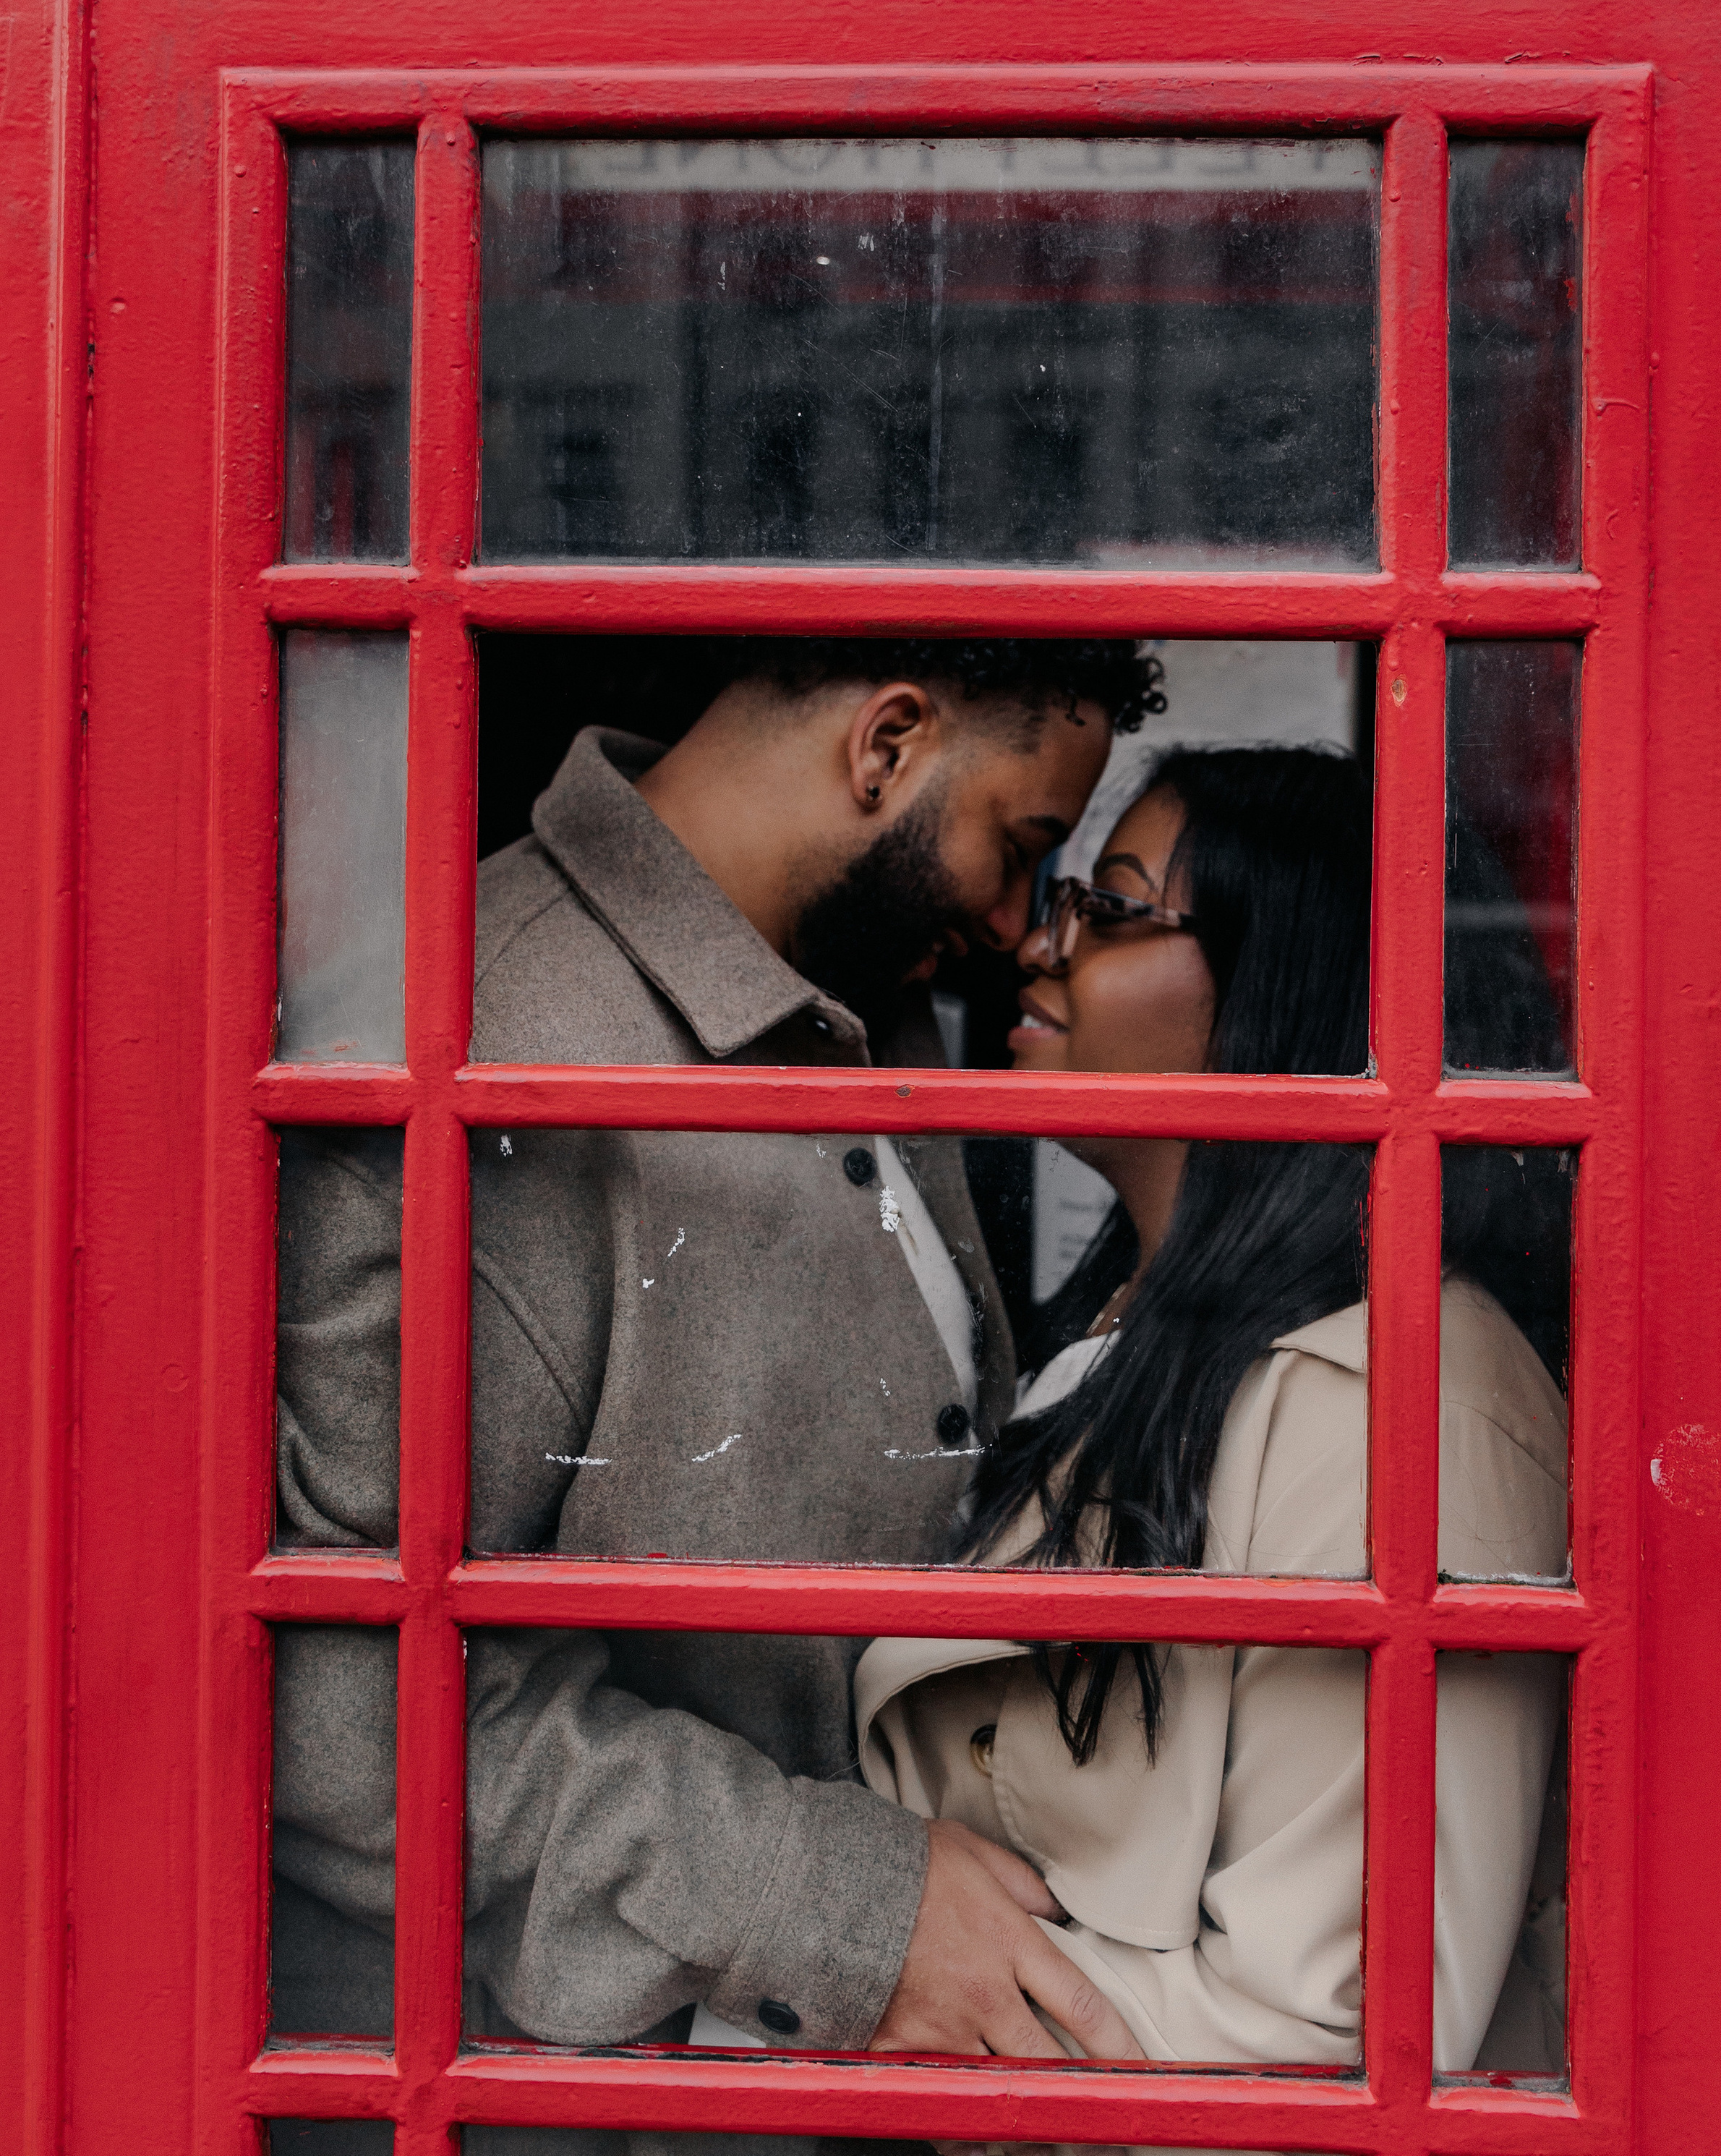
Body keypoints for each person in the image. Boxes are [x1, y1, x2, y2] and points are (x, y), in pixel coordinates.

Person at [273, 637, 1163, 2100]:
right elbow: (334, 1700)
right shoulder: (476, 1044)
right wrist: (845, 1914)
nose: (1020, 926)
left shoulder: (851, 1010)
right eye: (1020, 847)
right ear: (884, 747)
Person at [858, 745, 1573, 2078]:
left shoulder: (1389, 1412)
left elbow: (1348, 2019)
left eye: (1111, 910)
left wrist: (865, 1987)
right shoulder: (1123, 1332)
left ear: (1278, 992)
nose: (1039, 948)